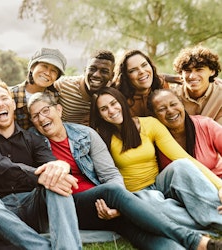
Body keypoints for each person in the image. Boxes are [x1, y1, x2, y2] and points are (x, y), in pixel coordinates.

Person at [28, 91, 221, 249]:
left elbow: (110, 174)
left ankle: (205, 244)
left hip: (105, 202)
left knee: (135, 230)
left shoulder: (85, 134)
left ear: (59, 110)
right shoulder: (32, 142)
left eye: (46, 110)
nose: (42, 118)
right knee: (119, 195)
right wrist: (117, 199)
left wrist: (114, 207)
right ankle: (194, 240)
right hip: (72, 205)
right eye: (35, 116)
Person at [0, 78, 81, 249]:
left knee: (56, 181)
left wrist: (60, 167)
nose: (0, 104)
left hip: (33, 205)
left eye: (4, 99)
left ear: (13, 104)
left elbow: (51, 165)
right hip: (1, 210)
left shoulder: (33, 139)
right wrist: (38, 177)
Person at [90, 86, 222, 233]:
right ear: (99, 115)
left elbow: (183, 157)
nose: (112, 110)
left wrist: (220, 186)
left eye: (114, 103)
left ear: (121, 101)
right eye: (104, 109)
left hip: (159, 183)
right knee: (153, 202)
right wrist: (120, 204)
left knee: (181, 165)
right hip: (135, 195)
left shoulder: (150, 124)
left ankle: (218, 218)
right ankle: (204, 224)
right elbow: (105, 175)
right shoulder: (99, 137)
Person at [148, 88, 222, 176]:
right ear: (154, 115)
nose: (170, 111)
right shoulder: (152, 139)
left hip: (217, 182)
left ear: (182, 104)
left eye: (173, 104)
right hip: (179, 187)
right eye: (161, 109)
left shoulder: (206, 125)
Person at [53, 50, 115, 125]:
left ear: (112, 76)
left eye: (104, 71)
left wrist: (96, 119)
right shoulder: (63, 85)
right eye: (92, 69)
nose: (96, 75)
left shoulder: (113, 95)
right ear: (85, 70)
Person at [10, 48, 66, 130]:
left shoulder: (55, 96)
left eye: (54, 71)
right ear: (32, 67)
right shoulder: (12, 95)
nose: (47, 73)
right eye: (44, 66)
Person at [170, 45, 222, 124]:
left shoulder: (220, 94)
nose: (192, 76)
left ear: (212, 71)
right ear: (180, 73)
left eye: (199, 70)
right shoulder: (172, 95)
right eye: (187, 70)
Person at [114, 49, 169, 117]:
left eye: (144, 65)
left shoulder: (162, 86)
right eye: (133, 70)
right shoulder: (119, 100)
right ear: (125, 76)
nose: (142, 71)